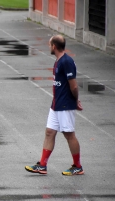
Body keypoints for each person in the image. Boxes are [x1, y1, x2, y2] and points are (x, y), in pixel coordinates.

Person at [25, 35, 84, 176]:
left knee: (69, 135)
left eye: (49, 44)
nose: (48, 46)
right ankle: (42, 165)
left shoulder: (67, 62)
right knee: (49, 132)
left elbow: (74, 86)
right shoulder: (58, 61)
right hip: (56, 105)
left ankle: (77, 166)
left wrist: (75, 101)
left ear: (54, 46)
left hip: (65, 105)